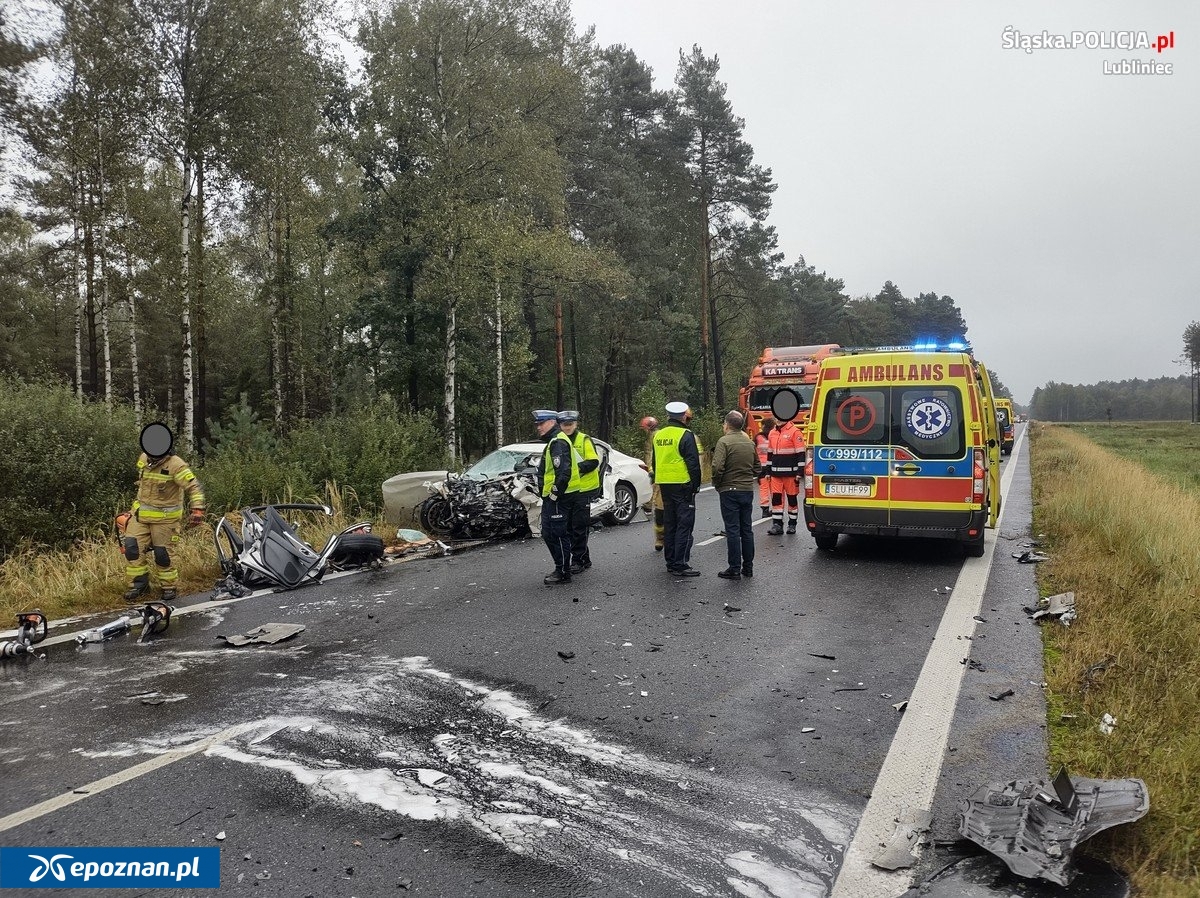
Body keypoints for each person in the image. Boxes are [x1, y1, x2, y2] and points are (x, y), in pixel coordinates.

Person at [122, 422, 206, 603]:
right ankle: (139, 586)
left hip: (166, 521)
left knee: (163, 555)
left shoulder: (177, 465)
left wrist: (197, 509)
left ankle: (168, 587)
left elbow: (194, 487)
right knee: (131, 548)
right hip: (140, 515)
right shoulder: (144, 458)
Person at [653, 401, 702, 577]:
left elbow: (654, 461)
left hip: (664, 484)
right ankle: (680, 563)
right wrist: (695, 485)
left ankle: (670, 561)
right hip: (682, 484)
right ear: (683, 416)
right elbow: (693, 463)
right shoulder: (686, 434)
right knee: (684, 524)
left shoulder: (658, 435)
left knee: (670, 523)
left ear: (668, 416)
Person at [711, 410, 760, 579]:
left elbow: (717, 467)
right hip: (746, 490)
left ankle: (734, 568)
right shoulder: (749, 443)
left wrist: (717, 483)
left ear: (727, 425)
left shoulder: (724, 442)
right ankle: (748, 567)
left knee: (733, 530)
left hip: (729, 490)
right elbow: (758, 467)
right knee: (747, 530)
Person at [534, 408, 575, 585]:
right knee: (549, 533)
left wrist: (554, 494)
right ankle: (561, 568)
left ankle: (563, 571)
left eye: (541, 423)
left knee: (557, 534)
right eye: (537, 424)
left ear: (552, 422)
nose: (538, 427)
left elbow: (563, 472)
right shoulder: (553, 441)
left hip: (558, 498)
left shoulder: (558, 442)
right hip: (552, 498)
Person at [557, 410, 601, 574]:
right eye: (564, 425)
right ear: (560, 425)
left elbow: (593, 462)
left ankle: (578, 561)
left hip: (584, 489)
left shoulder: (583, 439)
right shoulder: (558, 440)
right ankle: (584, 558)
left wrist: (571, 470)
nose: (567, 427)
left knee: (578, 526)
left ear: (576, 424)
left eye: (570, 424)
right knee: (570, 526)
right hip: (569, 490)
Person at [767, 412, 804, 535]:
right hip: (775, 474)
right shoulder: (772, 432)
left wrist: (800, 472)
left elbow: (800, 454)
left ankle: (792, 525)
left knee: (792, 499)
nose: (777, 419)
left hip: (791, 474)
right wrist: (768, 471)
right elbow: (770, 454)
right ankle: (777, 525)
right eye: (776, 416)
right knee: (776, 500)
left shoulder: (795, 432)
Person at [641, 416, 664, 551]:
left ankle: (660, 538)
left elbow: (652, 455)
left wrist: (651, 470)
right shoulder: (655, 435)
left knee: (659, 507)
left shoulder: (655, 436)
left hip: (659, 475)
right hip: (658, 474)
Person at [754, 419, 775, 518]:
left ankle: (765, 510)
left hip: (761, 467)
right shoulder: (774, 436)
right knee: (774, 488)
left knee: (763, 488)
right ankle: (776, 508)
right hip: (773, 466)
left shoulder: (758, 437)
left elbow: (753, 451)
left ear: (763, 426)